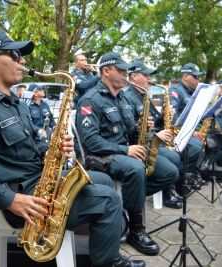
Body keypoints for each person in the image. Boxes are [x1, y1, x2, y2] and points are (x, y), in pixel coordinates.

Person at [0, 29, 144, 267]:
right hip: (21, 198)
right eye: (15, 55)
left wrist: (52, 148)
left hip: (38, 182)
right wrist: (10, 199)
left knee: (101, 179)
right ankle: (109, 262)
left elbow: (32, 144)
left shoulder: (16, 103)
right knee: (109, 200)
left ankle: (96, 246)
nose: (23, 61)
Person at [76, 52, 179, 256]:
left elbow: (129, 131)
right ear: (106, 71)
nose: (126, 75)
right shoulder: (90, 100)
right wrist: (126, 149)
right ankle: (136, 229)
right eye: (121, 71)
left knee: (170, 172)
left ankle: (124, 203)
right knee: (136, 168)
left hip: (123, 153)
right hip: (101, 157)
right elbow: (90, 141)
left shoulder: (122, 98)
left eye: (126, 71)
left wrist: (139, 126)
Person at [124, 59, 182, 209]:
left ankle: (169, 191)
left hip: (151, 139)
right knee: (172, 158)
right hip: (140, 144)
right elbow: (133, 129)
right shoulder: (128, 97)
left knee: (176, 154)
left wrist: (163, 115)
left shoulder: (144, 94)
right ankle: (139, 194)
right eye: (146, 75)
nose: (150, 79)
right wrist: (157, 136)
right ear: (134, 76)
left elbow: (153, 122)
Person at [168, 63, 208, 189]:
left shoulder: (193, 93)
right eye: (195, 77)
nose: (199, 80)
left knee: (215, 141)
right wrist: (193, 133)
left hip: (191, 130)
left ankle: (193, 173)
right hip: (179, 132)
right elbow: (173, 118)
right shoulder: (175, 90)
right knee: (196, 146)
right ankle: (180, 180)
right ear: (185, 76)